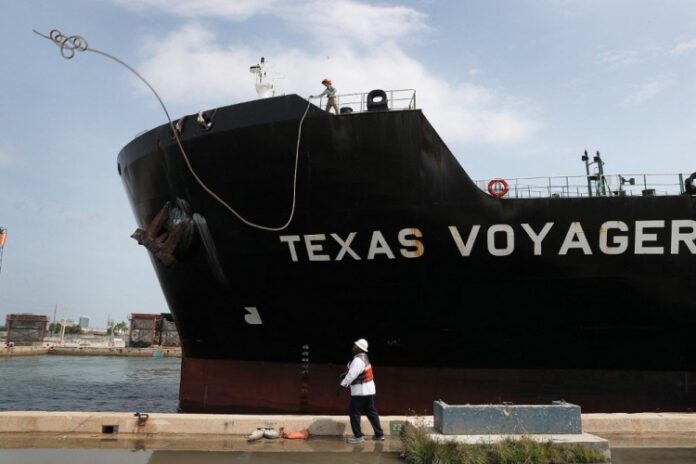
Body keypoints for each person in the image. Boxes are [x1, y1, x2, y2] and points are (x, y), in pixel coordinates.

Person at [337, 338, 384, 444]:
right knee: (371, 412)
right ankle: (379, 434)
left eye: (355, 345)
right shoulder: (364, 357)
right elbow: (359, 372)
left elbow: (351, 375)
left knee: (354, 412)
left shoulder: (357, 360)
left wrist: (341, 386)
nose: (353, 346)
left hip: (360, 392)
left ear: (359, 348)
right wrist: (346, 375)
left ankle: (358, 436)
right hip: (368, 390)